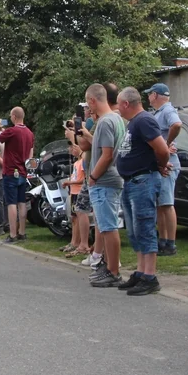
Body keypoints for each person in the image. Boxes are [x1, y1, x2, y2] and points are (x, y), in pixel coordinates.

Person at [114, 88, 170, 296]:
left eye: (119, 104)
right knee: (134, 229)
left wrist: (161, 165)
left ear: (126, 104)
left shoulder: (144, 120)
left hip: (143, 180)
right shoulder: (134, 123)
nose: (118, 108)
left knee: (145, 225)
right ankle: (140, 270)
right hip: (131, 181)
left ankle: (150, 276)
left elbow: (162, 149)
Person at [80, 84, 126, 288]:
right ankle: (108, 265)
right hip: (110, 179)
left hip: (105, 180)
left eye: (88, 103)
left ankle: (113, 271)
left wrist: (93, 176)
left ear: (92, 101)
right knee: (106, 225)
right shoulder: (115, 119)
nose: (88, 108)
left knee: (108, 227)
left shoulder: (106, 122)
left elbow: (107, 155)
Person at [145, 83, 182, 256]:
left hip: (169, 164)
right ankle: (163, 240)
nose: (148, 97)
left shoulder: (167, 110)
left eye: (149, 95)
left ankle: (171, 243)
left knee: (167, 204)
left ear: (155, 95)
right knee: (161, 205)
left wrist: (166, 145)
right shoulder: (158, 113)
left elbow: (176, 125)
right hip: (160, 164)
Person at [0, 107, 35, 244]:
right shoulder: (29, 133)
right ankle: (22, 232)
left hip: (10, 171)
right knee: (22, 202)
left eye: (11, 116)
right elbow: (31, 154)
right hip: (22, 171)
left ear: (15, 117)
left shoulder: (11, 131)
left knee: (11, 203)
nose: (10, 118)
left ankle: (13, 234)